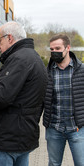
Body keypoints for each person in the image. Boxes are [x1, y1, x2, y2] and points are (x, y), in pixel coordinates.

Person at [0, 21, 48, 166]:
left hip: (6, 140)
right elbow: (18, 95)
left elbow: (1, 97)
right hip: (23, 137)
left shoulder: (18, 59)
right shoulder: (35, 58)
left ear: (10, 38)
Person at [43, 34, 84, 166]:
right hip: (54, 128)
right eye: (52, 49)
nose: (54, 52)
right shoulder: (47, 72)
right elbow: (40, 99)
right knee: (54, 164)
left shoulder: (81, 70)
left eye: (57, 48)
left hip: (77, 128)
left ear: (67, 48)